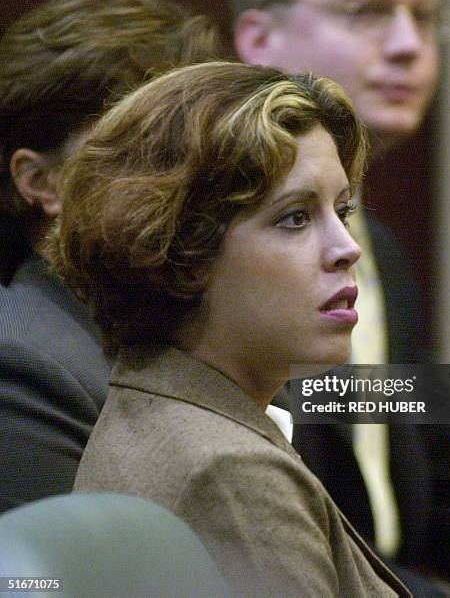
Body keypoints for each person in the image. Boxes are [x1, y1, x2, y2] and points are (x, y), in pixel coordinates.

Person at [48, 60, 410, 597]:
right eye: (295, 217)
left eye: (342, 209)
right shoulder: (227, 471)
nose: (348, 247)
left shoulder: (159, 405)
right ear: (185, 254)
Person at [230, 0, 450, 595]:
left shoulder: (382, 253)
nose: (408, 46)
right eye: (367, 12)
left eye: (424, 18)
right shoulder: (228, 263)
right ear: (261, 41)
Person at [0, 0, 222, 514]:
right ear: (42, 183)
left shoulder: (213, 326)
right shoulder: (25, 364)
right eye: (145, 148)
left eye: (203, 145)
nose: (189, 177)